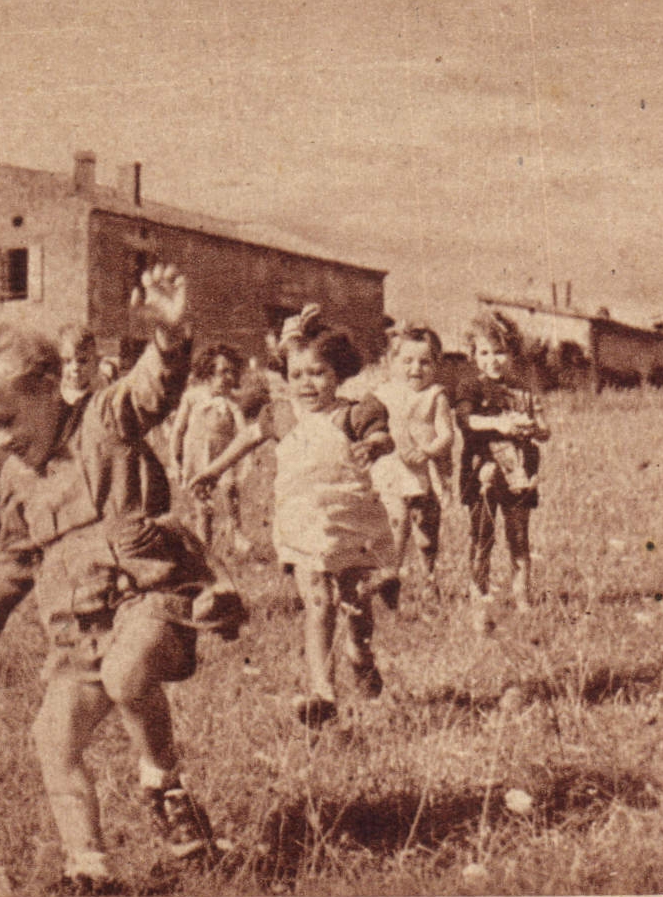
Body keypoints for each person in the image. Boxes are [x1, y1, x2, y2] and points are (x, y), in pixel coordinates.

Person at [0, 265, 243, 894]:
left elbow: (153, 390)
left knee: (129, 674)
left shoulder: (105, 420)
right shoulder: (19, 480)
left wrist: (170, 333)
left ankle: (162, 779)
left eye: (6, 422)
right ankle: (89, 865)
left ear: (50, 387)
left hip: (152, 600)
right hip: (78, 632)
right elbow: (15, 560)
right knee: (53, 738)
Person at [190, 305, 393, 727]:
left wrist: (374, 446)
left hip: (350, 521)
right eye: (297, 374)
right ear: (285, 376)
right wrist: (212, 469)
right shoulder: (279, 415)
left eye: (318, 373)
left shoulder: (354, 411)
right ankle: (323, 691)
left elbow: (382, 436)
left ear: (338, 372)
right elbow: (246, 439)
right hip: (302, 523)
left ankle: (360, 653)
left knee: (355, 605)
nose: (306, 383)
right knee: (317, 600)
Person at [456, 310, 549, 621]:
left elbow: (545, 429)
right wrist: (501, 424)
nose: (493, 360)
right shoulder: (471, 387)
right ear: (473, 354)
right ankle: (478, 591)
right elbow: (467, 420)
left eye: (500, 352)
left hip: (520, 470)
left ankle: (522, 595)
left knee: (519, 534)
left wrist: (532, 428)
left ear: (512, 353)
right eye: (484, 352)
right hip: (483, 466)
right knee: (482, 533)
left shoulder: (523, 389)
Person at [369, 325, 455, 605]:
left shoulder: (435, 396)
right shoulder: (382, 394)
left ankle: (429, 580)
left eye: (424, 362)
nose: (415, 369)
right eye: (407, 361)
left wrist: (429, 451)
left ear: (435, 365)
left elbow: (446, 435)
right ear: (391, 363)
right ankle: (390, 576)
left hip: (423, 474)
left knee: (427, 533)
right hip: (390, 470)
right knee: (396, 522)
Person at [169, 344, 251, 558]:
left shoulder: (232, 403)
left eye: (231, 372)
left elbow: (244, 433)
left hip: (223, 457)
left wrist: (248, 457)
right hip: (197, 458)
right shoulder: (192, 397)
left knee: (230, 488)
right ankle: (204, 551)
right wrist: (174, 460)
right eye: (222, 372)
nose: (227, 378)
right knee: (203, 507)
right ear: (207, 372)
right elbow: (178, 430)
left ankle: (235, 531)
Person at [57, 324, 98, 405]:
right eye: (67, 361)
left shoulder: (98, 395)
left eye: (82, 361)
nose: (75, 368)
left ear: (94, 363)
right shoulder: (55, 396)